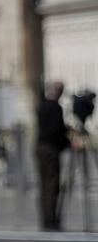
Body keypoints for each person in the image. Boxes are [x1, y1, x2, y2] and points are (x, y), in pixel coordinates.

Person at [37, 80, 73, 230]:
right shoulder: (55, 107)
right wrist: (68, 142)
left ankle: (48, 219)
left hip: (42, 147)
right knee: (51, 185)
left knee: (46, 185)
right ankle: (50, 220)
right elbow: (54, 131)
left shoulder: (43, 105)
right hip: (50, 149)